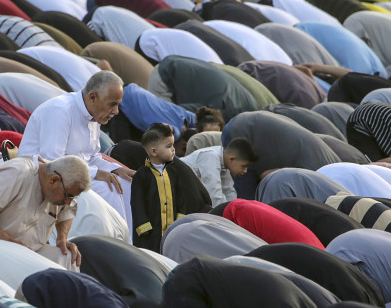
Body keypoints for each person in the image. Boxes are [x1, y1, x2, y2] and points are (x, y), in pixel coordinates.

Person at [18, 71, 136, 228]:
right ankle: (118, 242)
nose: (116, 111)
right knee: (108, 189)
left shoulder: (94, 114)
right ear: (93, 97)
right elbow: (52, 163)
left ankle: (132, 243)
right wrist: (96, 173)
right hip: (43, 179)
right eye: (112, 104)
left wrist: (117, 169)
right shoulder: (60, 111)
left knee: (126, 184)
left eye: (118, 105)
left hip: (75, 176)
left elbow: (91, 157)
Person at [131, 123, 212, 252]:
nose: (173, 149)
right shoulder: (141, 176)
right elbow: (137, 204)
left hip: (172, 230)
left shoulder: (173, 172)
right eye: (169, 146)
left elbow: (181, 198)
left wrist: (180, 221)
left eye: (173, 145)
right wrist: (144, 227)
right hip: (151, 232)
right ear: (153, 151)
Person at [181, 137, 258, 207]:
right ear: (231, 159)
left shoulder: (225, 162)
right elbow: (214, 196)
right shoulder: (210, 156)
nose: (245, 171)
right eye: (244, 166)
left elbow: (229, 192)